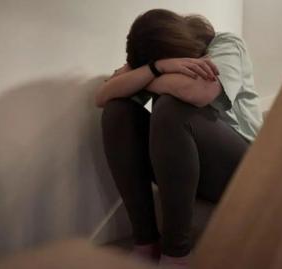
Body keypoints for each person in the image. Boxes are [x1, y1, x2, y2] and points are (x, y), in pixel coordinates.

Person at [95, 9, 263, 268]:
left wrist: (146, 77)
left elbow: (200, 92)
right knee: (119, 110)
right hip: (187, 162)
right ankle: (145, 244)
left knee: (173, 110)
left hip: (244, 168)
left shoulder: (227, 44)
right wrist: (157, 68)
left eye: (163, 62)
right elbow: (103, 95)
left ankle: (176, 255)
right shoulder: (157, 57)